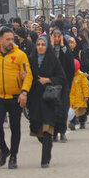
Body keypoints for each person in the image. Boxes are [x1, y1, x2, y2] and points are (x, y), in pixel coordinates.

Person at [0, 27, 32, 169]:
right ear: (0, 40)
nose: (11, 42)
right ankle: (4, 150)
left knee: (15, 127)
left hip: (16, 96)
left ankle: (13, 156)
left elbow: (28, 75)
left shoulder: (20, 55)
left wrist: (24, 92)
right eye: (8, 39)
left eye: (12, 39)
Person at [27, 36, 66, 168]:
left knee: (47, 128)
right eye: (39, 44)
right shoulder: (30, 59)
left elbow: (61, 77)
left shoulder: (53, 60)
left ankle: (45, 159)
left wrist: (48, 80)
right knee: (37, 130)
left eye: (43, 44)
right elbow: (27, 76)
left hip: (48, 99)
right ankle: (47, 146)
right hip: (34, 100)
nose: (41, 47)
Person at [49, 30, 74, 142]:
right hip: (52, 83)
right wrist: (51, 46)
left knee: (63, 109)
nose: (57, 39)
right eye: (55, 36)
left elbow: (69, 63)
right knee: (53, 109)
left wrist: (63, 46)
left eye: (59, 37)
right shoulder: (49, 49)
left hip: (64, 83)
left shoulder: (66, 49)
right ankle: (54, 133)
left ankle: (62, 132)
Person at [69, 58, 89, 130]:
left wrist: (86, 96)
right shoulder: (69, 76)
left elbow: (85, 87)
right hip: (72, 99)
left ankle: (82, 123)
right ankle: (72, 123)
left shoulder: (82, 76)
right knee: (72, 113)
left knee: (82, 113)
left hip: (81, 99)